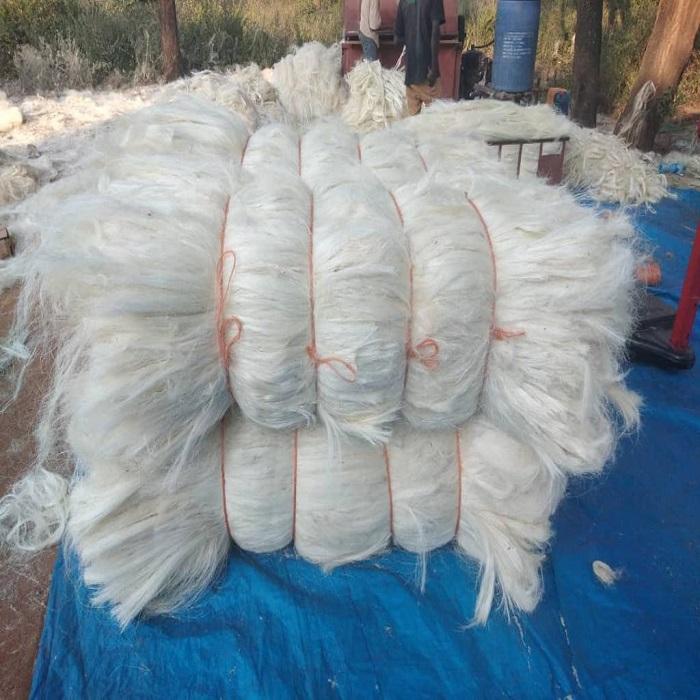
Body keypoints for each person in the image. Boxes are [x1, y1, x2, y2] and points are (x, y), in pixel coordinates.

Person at [395, 0, 446, 115]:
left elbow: (397, 39)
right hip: (428, 74)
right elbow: (435, 32)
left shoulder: (403, 2)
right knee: (436, 118)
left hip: (411, 76)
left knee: (413, 121)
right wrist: (434, 69)